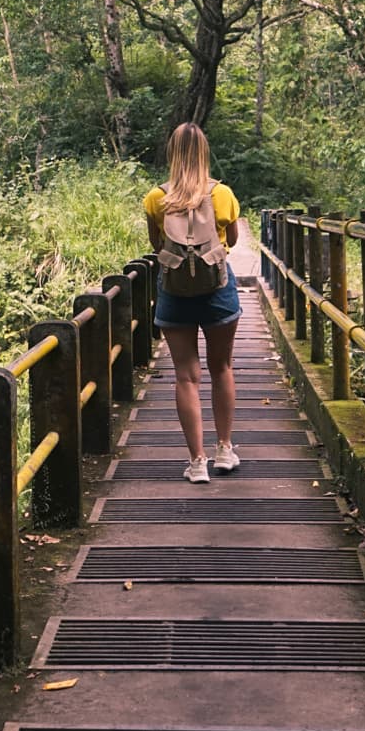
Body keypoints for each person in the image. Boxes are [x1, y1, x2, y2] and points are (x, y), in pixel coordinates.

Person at [143, 123, 241, 483]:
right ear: (203, 153)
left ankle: (197, 462)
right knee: (222, 368)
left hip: (174, 291)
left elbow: (157, 245)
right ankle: (224, 450)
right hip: (217, 289)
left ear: (172, 153)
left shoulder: (156, 198)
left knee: (186, 375)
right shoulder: (222, 194)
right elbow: (232, 240)